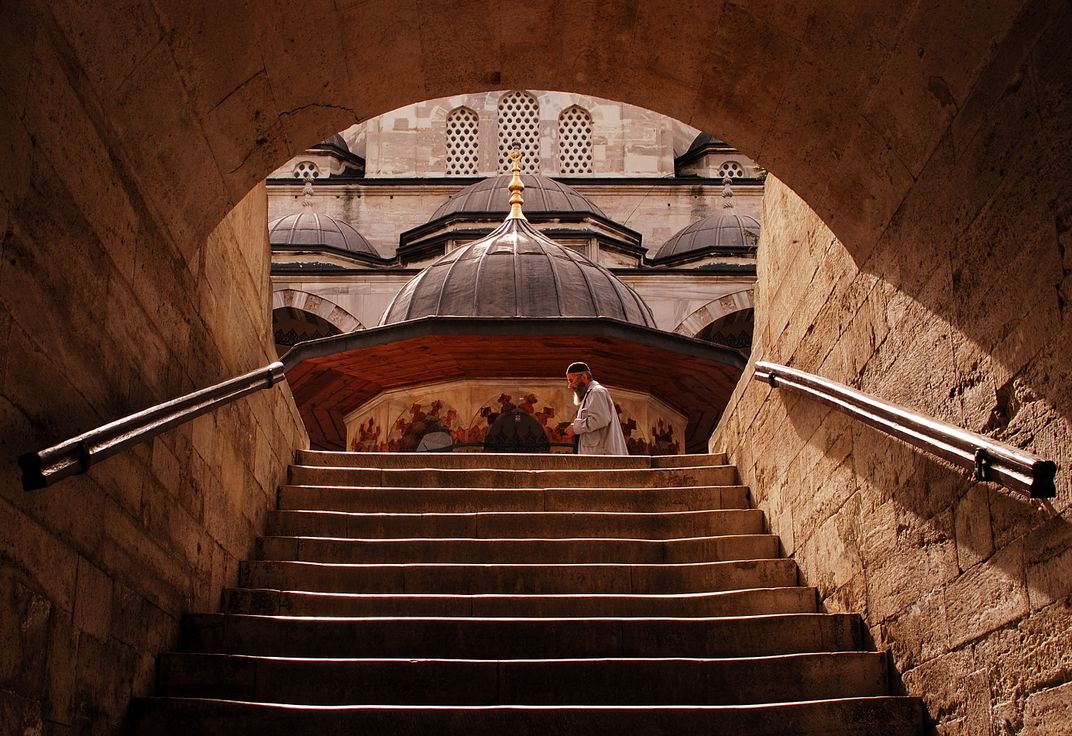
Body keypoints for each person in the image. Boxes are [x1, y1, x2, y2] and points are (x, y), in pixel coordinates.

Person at [562, 361, 629, 455]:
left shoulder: (597, 392)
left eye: (571, 380)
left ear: (584, 377)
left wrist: (575, 428)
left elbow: (600, 419)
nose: (569, 386)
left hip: (603, 456)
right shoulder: (591, 394)